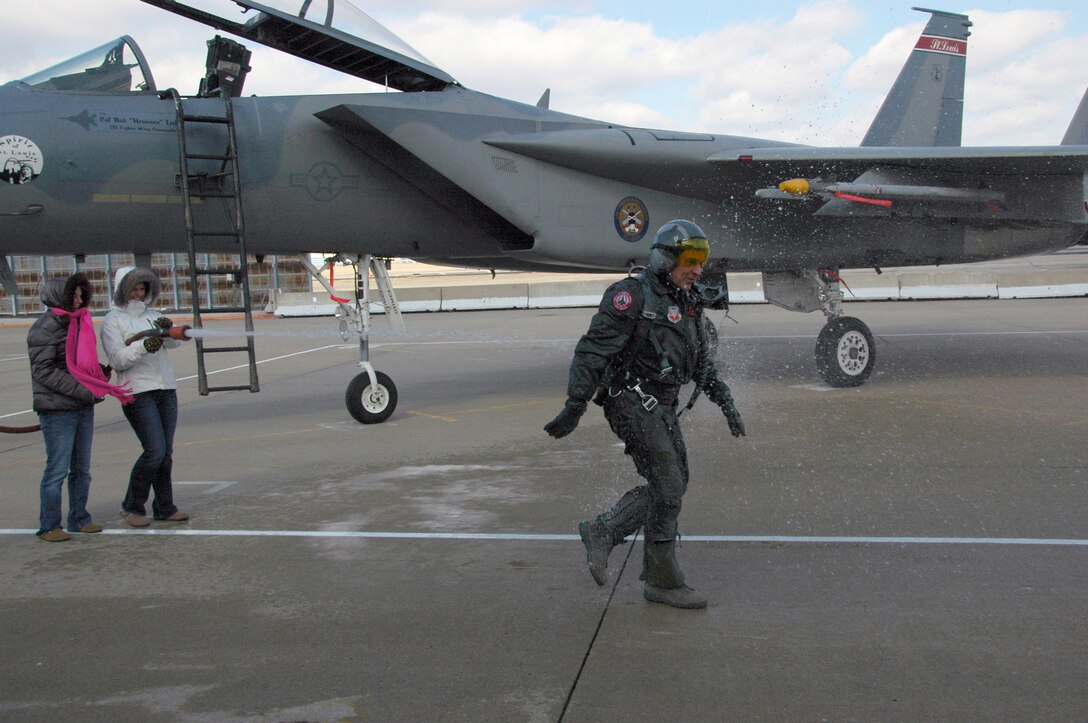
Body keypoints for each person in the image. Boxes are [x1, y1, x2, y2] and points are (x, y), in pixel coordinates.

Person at [544, 220, 745, 609]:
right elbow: (592, 352)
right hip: (631, 401)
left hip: (662, 407)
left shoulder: (687, 302)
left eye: (702, 259)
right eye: (690, 259)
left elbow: (702, 364)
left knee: (673, 486)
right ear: (664, 258)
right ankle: (663, 582)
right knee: (669, 488)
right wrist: (575, 405)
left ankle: (605, 531)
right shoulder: (631, 296)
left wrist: (726, 402)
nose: (698, 269)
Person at [27, 272, 133, 541]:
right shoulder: (44, 328)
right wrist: (83, 389)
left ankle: (78, 518)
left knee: (81, 469)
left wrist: (97, 375)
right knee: (57, 471)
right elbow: (45, 371)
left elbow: (79, 364)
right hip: (58, 409)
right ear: (57, 296)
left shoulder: (77, 323)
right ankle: (49, 525)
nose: (78, 299)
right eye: (72, 294)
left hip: (81, 406)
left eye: (79, 294)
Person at [100, 266, 191, 527]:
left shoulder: (153, 315)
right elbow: (118, 359)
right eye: (134, 289)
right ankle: (131, 506)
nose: (139, 293)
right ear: (122, 290)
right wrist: (143, 345)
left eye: (143, 288)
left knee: (166, 453)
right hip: (137, 392)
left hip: (165, 389)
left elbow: (173, 343)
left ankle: (164, 506)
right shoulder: (112, 320)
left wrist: (168, 330)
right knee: (154, 451)